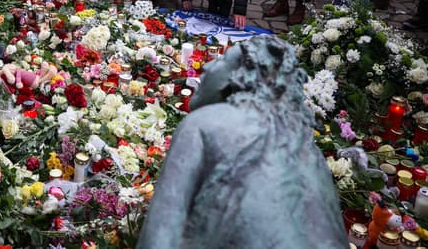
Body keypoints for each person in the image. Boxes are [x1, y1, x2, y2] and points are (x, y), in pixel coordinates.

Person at [137, 37, 347, 248]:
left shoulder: (203, 124)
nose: (209, 64)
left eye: (223, 59)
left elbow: (159, 234)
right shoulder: (311, 153)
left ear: (240, 74)